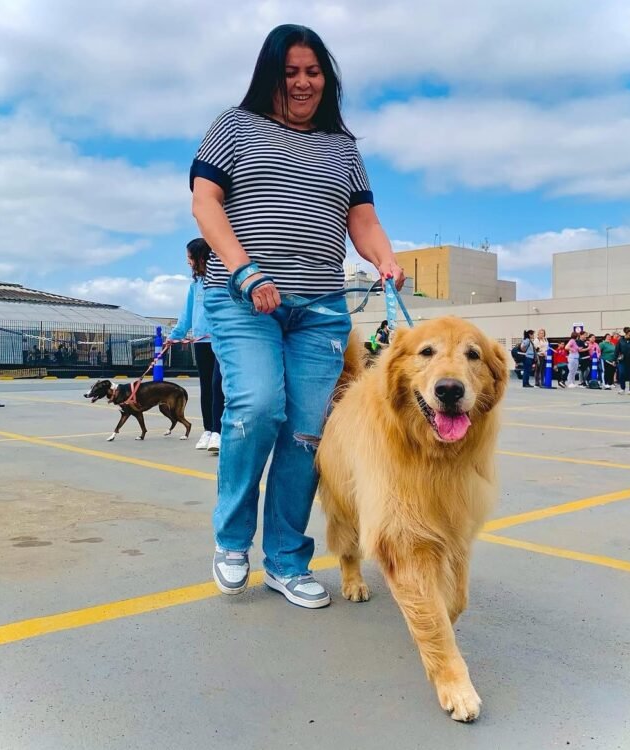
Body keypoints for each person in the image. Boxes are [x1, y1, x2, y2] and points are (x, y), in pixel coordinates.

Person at [190, 24, 404, 608]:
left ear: (326, 79)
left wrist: (384, 257)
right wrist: (243, 269)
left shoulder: (343, 148)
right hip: (244, 301)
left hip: (319, 312)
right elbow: (204, 201)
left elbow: (361, 218)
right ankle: (232, 540)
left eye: (313, 72)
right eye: (291, 72)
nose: (304, 82)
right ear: (271, 75)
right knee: (258, 407)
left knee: (306, 436)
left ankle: (286, 559)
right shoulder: (235, 127)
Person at [168, 238, 224, 453]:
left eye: (189, 257)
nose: (188, 262)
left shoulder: (221, 280)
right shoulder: (195, 286)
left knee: (218, 385)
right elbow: (187, 315)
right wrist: (175, 335)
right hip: (201, 341)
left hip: (221, 340)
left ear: (201, 257)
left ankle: (219, 431)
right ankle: (208, 429)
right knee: (206, 387)